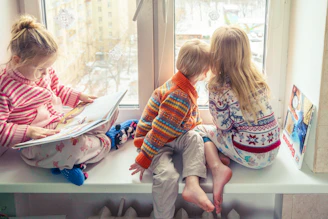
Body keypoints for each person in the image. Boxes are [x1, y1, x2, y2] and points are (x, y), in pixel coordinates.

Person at [0, 15, 119, 186]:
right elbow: (1, 129)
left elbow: (58, 89)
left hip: (61, 124)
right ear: (17, 60)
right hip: (36, 144)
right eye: (41, 68)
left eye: (48, 68)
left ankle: (82, 151)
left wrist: (80, 97)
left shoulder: (43, 72)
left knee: (111, 110)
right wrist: (29, 132)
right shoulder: (5, 88)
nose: (46, 74)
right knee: (75, 146)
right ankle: (106, 142)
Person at [196, 26, 281, 214]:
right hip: (273, 150)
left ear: (215, 55)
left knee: (198, 130)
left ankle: (218, 167)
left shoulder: (219, 86)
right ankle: (225, 155)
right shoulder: (255, 78)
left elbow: (222, 126)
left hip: (250, 154)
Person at [129, 39, 215, 218]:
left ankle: (192, 184)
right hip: (153, 143)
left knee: (194, 137)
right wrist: (145, 157)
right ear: (204, 72)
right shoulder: (179, 96)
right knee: (168, 177)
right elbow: (159, 131)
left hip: (172, 135)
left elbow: (191, 119)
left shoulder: (184, 84)